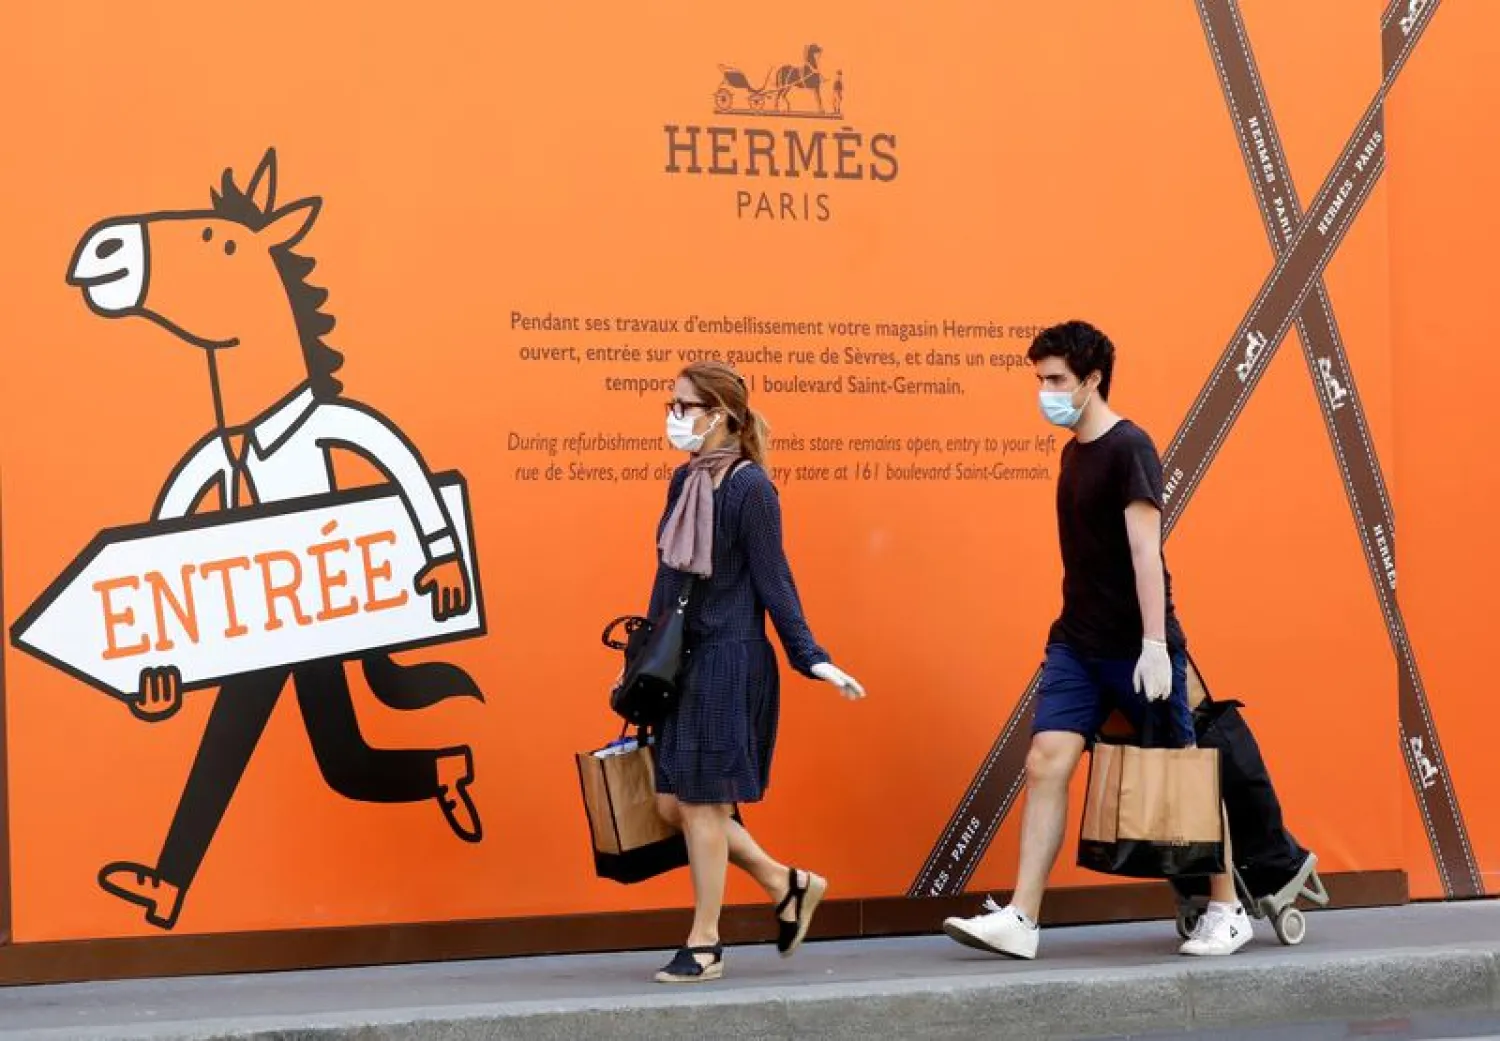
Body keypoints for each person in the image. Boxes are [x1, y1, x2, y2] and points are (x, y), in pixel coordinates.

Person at [941, 320, 1250, 959]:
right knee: (1045, 760)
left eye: (1056, 380)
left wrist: (1157, 645)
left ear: (1091, 380)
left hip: (1138, 649)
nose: (1045, 392)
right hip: (1076, 645)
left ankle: (1227, 907)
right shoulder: (1074, 450)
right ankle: (1023, 918)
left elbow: (1145, 552)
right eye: (1040, 380)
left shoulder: (1129, 447)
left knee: (1180, 774)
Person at [637, 359, 866, 984]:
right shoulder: (684, 483)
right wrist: (643, 663)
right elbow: (669, 578)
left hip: (730, 661)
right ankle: (785, 883)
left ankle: (705, 943)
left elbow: (775, 579)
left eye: (684, 406)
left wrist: (811, 656)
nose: (674, 416)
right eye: (673, 403)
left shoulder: (750, 489)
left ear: (719, 414)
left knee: (705, 805)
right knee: (668, 803)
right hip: (681, 665)